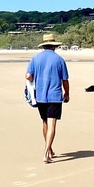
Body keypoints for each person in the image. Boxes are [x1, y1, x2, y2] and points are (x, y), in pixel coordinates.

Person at [25, 33, 69, 163]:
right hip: (54, 96)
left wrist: (35, 81)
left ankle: (49, 149)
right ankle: (46, 153)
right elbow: (65, 79)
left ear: (44, 45)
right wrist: (67, 93)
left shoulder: (35, 58)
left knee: (44, 122)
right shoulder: (59, 60)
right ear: (54, 46)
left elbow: (28, 76)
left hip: (40, 96)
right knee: (52, 124)